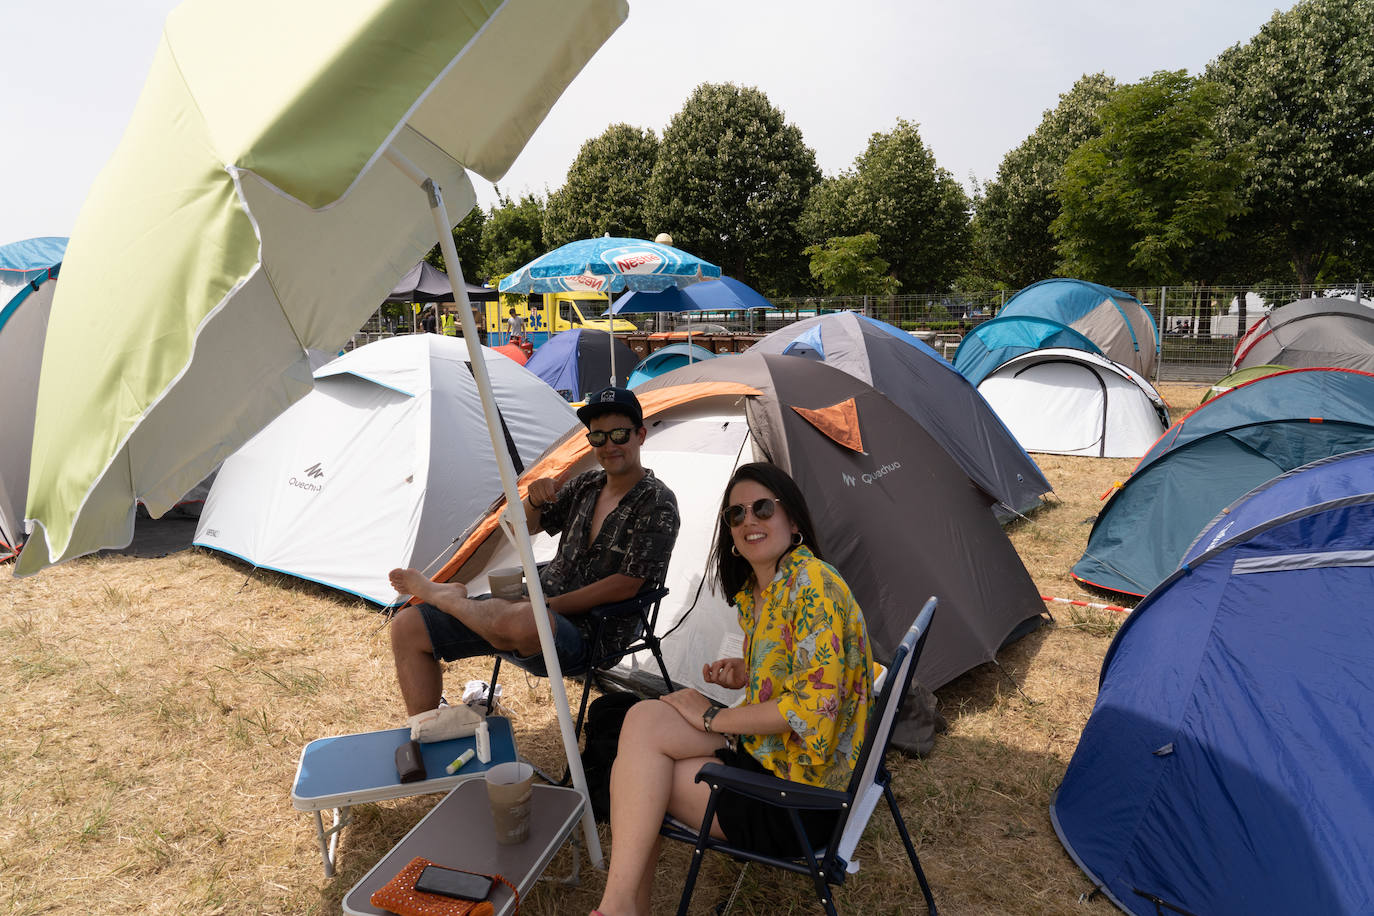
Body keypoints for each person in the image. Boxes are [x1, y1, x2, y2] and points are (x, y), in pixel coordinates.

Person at [591, 462, 875, 916]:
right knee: (642, 720)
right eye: (736, 514)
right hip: (779, 758)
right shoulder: (767, 590)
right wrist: (749, 671)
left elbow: (809, 709)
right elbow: (809, 668)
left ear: (793, 520)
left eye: (763, 508)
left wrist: (712, 716)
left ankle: (620, 907)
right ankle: (623, 905)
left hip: (799, 799)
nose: (749, 521)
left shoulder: (813, 587)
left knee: (640, 776)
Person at [387, 387, 680, 717]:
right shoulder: (586, 485)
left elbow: (626, 584)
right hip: (527, 608)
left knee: (528, 621)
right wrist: (535, 500)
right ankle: (426, 731)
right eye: (598, 436)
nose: (609, 445)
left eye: (618, 434)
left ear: (640, 435)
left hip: (591, 633)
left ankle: (450, 599)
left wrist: (547, 605)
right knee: (408, 625)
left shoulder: (658, 503)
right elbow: (517, 528)